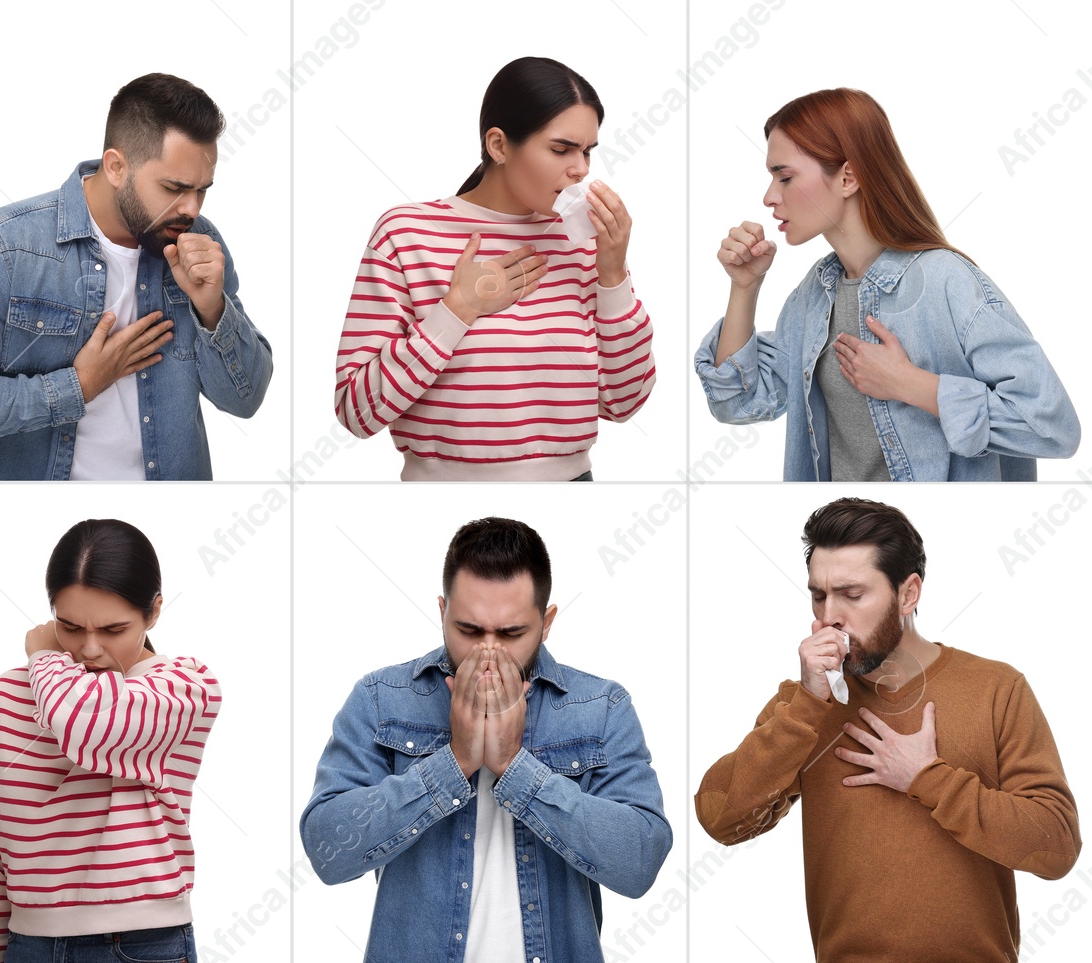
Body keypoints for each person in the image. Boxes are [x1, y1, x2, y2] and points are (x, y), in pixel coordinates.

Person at [696, 497, 1080, 960]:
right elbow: (721, 819)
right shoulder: (805, 704)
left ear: (908, 594)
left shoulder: (997, 689)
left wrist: (926, 778)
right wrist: (806, 706)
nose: (829, 615)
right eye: (819, 595)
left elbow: (1057, 849)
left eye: (852, 594)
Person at [301, 517, 670, 962]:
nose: (488, 652)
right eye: (469, 631)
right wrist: (453, 763)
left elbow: (640, 861)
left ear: (546, 622)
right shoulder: (382, 699)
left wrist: (516, 767)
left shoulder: (601, 706)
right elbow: (327, 851)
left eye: (512, 633)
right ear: (442, 612)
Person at [694, 88, 1079, 481]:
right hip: (847, 525)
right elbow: (736, 403)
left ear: (848, 177)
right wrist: (745, 286)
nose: (769, 196)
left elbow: (1053, 429)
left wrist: (910, 385)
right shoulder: (814, 296)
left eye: (785, 177)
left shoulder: (947, 282)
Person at [0, 74, 273, 480]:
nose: (191, 208)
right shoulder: (7, 247)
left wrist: (212, 309)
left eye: (202, 190)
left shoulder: (200, 242)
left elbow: (246, 400)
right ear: (116, 166)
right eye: (174, 187)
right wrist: (78, 386)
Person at [333, 57, 656, 481]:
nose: (581, 169)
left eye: (588, 151)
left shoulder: (585, 243)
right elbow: (357, 412)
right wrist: (458, 310)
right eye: (561, 149)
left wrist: (613, 275)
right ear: (499, 145)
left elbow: (624, 402)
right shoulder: (406, 233)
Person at [0, 519, 223, 962]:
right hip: (28, 943)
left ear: (154, 611)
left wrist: (45, 655)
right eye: (68, 627)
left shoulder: (186, 688)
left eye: (112, 630)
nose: (88, 649)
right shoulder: (7, 694)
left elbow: (83, 723)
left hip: (142, 944)